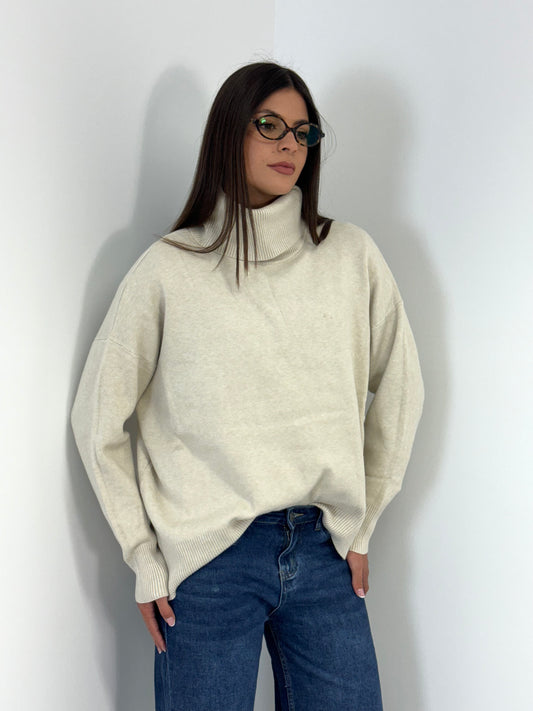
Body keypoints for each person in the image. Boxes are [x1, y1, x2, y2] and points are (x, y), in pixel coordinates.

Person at [71, 61, 424, 710]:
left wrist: (362, 526)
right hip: (209, 558)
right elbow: (97, 420)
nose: (290, 144)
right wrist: (145, 558)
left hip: (323, 551)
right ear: (229, 131)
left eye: (303, 132)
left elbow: (402, 388)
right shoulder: (170, 269)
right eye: (269, 125)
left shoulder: (349, 256)